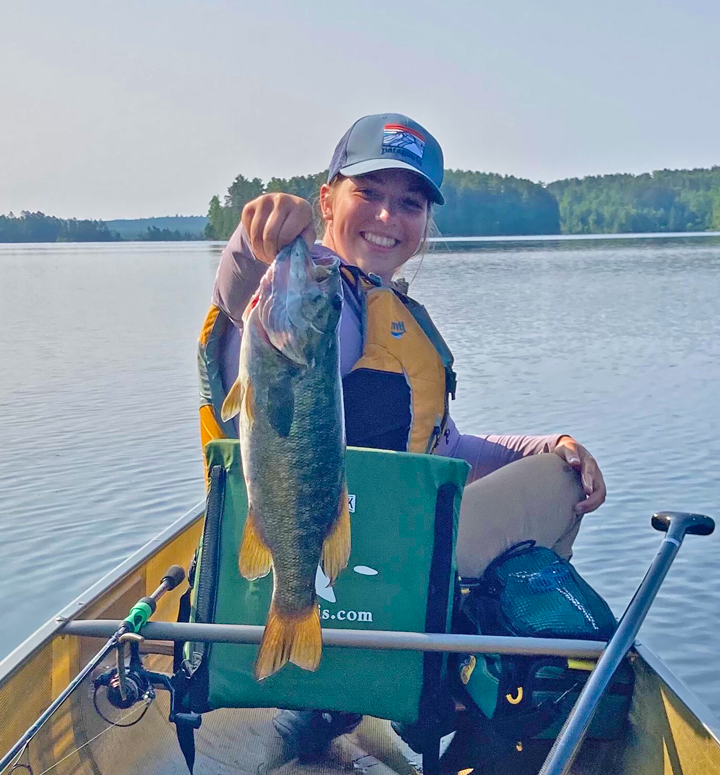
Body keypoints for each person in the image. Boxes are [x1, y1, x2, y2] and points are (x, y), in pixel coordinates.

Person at [198, 113, 607, 760]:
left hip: (376, 560)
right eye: (369, 193)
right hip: (376, 565)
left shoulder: (385, 310)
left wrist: (541, 446)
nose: (388, 216)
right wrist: (253, 244)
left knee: (557, 468)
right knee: (558, 492)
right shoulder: (323, 300)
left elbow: (440, 449)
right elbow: (239, 320)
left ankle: (425, 671)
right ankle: (450, 664)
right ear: (326, 200)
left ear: (425, 225)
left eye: (409, 203)